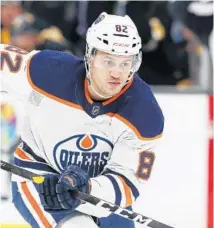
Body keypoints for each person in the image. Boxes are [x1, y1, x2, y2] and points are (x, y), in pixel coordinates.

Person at [0, 12, 164, 228]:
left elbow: (126, 183)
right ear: (90, 56)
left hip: (95, 189)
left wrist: (87, 189)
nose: (117, 73)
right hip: (39, 178)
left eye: (126, 64)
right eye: (108, 61)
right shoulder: (48, 71)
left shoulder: (144, 112)